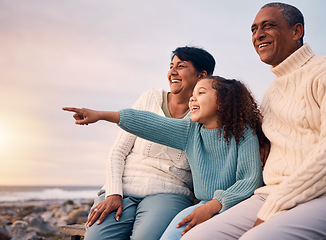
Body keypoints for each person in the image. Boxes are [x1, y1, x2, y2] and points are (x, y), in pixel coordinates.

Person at [179, 2, 326, 240]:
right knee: (193, 238)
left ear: (296, 31)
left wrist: (275, 207)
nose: (258, 34)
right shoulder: (271, 94)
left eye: (268, 26)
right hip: (271, 195)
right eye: (253, 29)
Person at [63, 75, 265, 239]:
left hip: (236, 206)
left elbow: (249, 181)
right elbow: (149, 123)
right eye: (192, 94)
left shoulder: (244, 133)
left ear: (223, 102)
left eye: (201, 93)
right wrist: (101, 115)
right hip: (204, 205)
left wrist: (214, 205)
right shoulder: (190, 131)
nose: (192, 99)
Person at [79, 46, 216, 240]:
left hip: (169, 194)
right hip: (122, 191)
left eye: (181, 66)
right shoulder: (150, 98)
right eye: (171, 66)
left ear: (202, 75)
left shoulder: (204, 117)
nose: (172, 72)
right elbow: (118, 151)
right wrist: (113, 193)